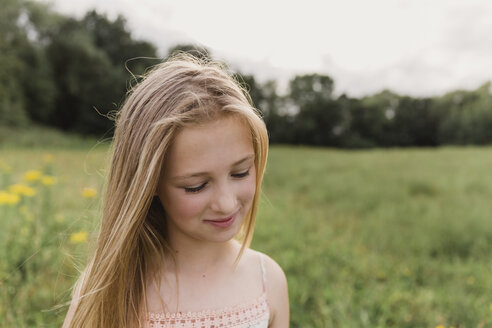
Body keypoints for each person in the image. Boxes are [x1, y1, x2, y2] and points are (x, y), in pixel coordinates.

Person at [62, 54, 289, 328]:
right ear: (149, 183)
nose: (227, 204)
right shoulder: (108, 289)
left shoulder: (267, 282)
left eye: (241, 172)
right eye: (195, 186)